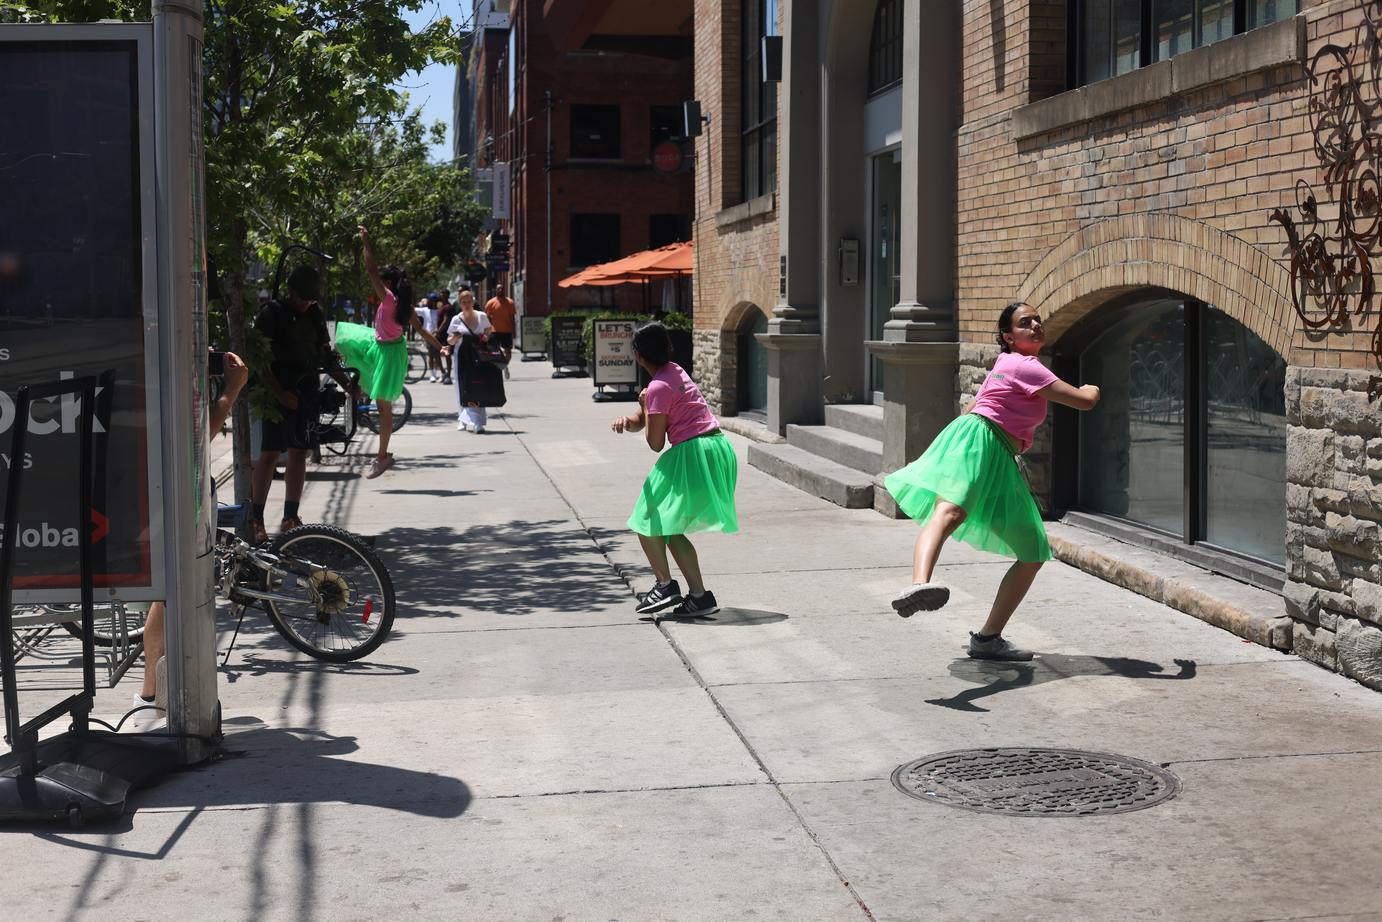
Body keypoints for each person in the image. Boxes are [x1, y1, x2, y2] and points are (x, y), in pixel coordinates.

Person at [884, 302, 1101, 661]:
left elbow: (975, 404)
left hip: (995, 453)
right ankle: (919, 585)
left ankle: (987, 640)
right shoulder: (1025, 365)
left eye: (1037, 320)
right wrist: (1092, 388)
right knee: (950, 512)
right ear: (1008, 337)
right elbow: (1082, 401)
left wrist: (933, 458)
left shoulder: (1003, 364)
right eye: (1024, 323)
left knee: (1032, 552)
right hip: (983, 442)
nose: (1035, 325)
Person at [131, 349, 249, 732]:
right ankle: (149, 699)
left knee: (176, 594)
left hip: (184, 486)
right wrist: (231, 391)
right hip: (177, 488)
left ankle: (154, 697)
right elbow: (198, 436)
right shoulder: (166, 364)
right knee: (170, 595)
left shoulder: (167, 358)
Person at [611, 321, 738, 618]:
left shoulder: (656, 387)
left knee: (645, 517)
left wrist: (644, 402)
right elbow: (650, 415)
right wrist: (630, 420)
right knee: (669, 527)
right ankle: (699, 597)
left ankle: (665, 584)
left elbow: (655, 442)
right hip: (714, 446)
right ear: (667, 347)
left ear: (637, 355)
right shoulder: (674, 371)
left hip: (692, 452)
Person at [249, 266, 354, 541]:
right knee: (270, 453)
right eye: (301, 297)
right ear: (290, 289)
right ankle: (256, 520)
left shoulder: (315, 313)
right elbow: (260, 361)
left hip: (305, 390)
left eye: (310, 298)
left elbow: (325, 355)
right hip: (277, 391)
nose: (305, 302)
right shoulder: (272, 313)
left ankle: (290, 518)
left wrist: (347, 383)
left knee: (299, 452)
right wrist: (279, 391)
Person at [335, 225, 445, 478]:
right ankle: (359, 388)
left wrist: (365, 241)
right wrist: (442, 347)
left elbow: (371, 269)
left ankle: (382, 457)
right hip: (380, 345)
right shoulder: (404, 305)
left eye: (379, 281)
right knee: (345, 339)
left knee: (384, 408)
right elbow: (424, 332)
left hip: (388, 353)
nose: (374, 282)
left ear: (386, 283)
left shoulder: (389, 299)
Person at [445, 289, 495, 433]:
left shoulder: (481, 316)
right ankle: (462, 418)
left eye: (469, 301)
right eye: (463, 302)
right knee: (461, 386)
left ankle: (478, 422)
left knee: (479, 386)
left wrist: (485, 335)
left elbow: (489, 328)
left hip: (478, 355)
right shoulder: (456, 319)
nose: (466, 304)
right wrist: (454, 338)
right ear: (459, 304)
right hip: (461, 356)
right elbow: (449, 340)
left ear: (473, 302)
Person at [485, 284, 516, 378]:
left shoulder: (510, 302)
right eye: (499, 289)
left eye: (502, 288)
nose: (501, 290)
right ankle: (497, 367)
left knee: (508, 352)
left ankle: (505, 366)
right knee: (495, 351)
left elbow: (512, 318)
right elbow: (487, 318)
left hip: (507, 330)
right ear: (495, 290)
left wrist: (514, 331)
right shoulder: (491, 303)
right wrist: (486, 331)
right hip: (494, 331)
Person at [433, 289, 455, 384]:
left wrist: (437, 332)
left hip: (446, 335)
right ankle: (443, 372)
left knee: (447, 356)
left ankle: (449, 376)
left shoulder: (448, 307)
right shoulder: (442, 307)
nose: (439, 295)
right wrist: (433, 332)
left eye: (441, 293)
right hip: (440, 334)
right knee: (436, 355)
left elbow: (445, 322)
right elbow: (439, 324)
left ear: (446, 295)